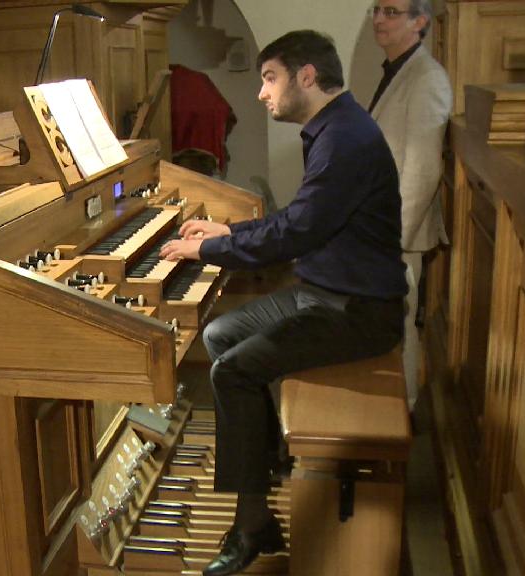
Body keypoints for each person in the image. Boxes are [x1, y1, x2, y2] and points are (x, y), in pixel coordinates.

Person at [159, 30, 407, 576]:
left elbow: (296, 232)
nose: (260, 93)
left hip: (358, 311)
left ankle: (252, 524)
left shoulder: (345, 139)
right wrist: (231, 228)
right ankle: (263, 471)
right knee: (221, 336)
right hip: (325, 292)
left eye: (269, 78)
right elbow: (302, 215)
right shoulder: (335, 127)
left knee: (233, 373)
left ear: (307, 77)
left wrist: (211, 248)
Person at [369, 0, 453, 410]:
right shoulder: (397, 70)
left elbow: (423, 170)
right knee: (383, 323)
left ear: (420, 22)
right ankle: (383, 412)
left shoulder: (428, 78)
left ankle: (401, 414)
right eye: (377, 10)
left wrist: (391, 240)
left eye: (391, 11)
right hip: (380, 229)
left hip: (397, 233)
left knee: (400, 324)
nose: (379, 19)